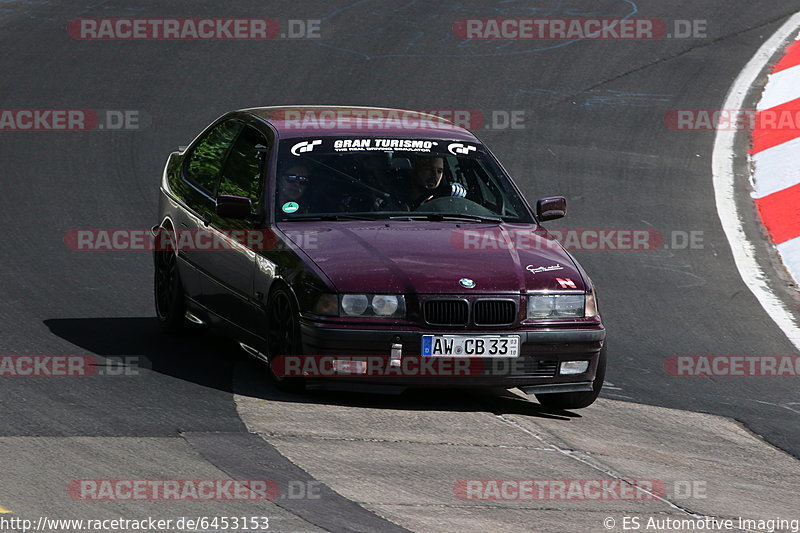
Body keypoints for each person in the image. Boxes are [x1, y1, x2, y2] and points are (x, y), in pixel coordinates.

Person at [399, 155, 467, 210]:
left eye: (439, 171)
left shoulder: (447, 201)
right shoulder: (394, 202)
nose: (435, 175)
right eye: (428, 169)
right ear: (415, 169)